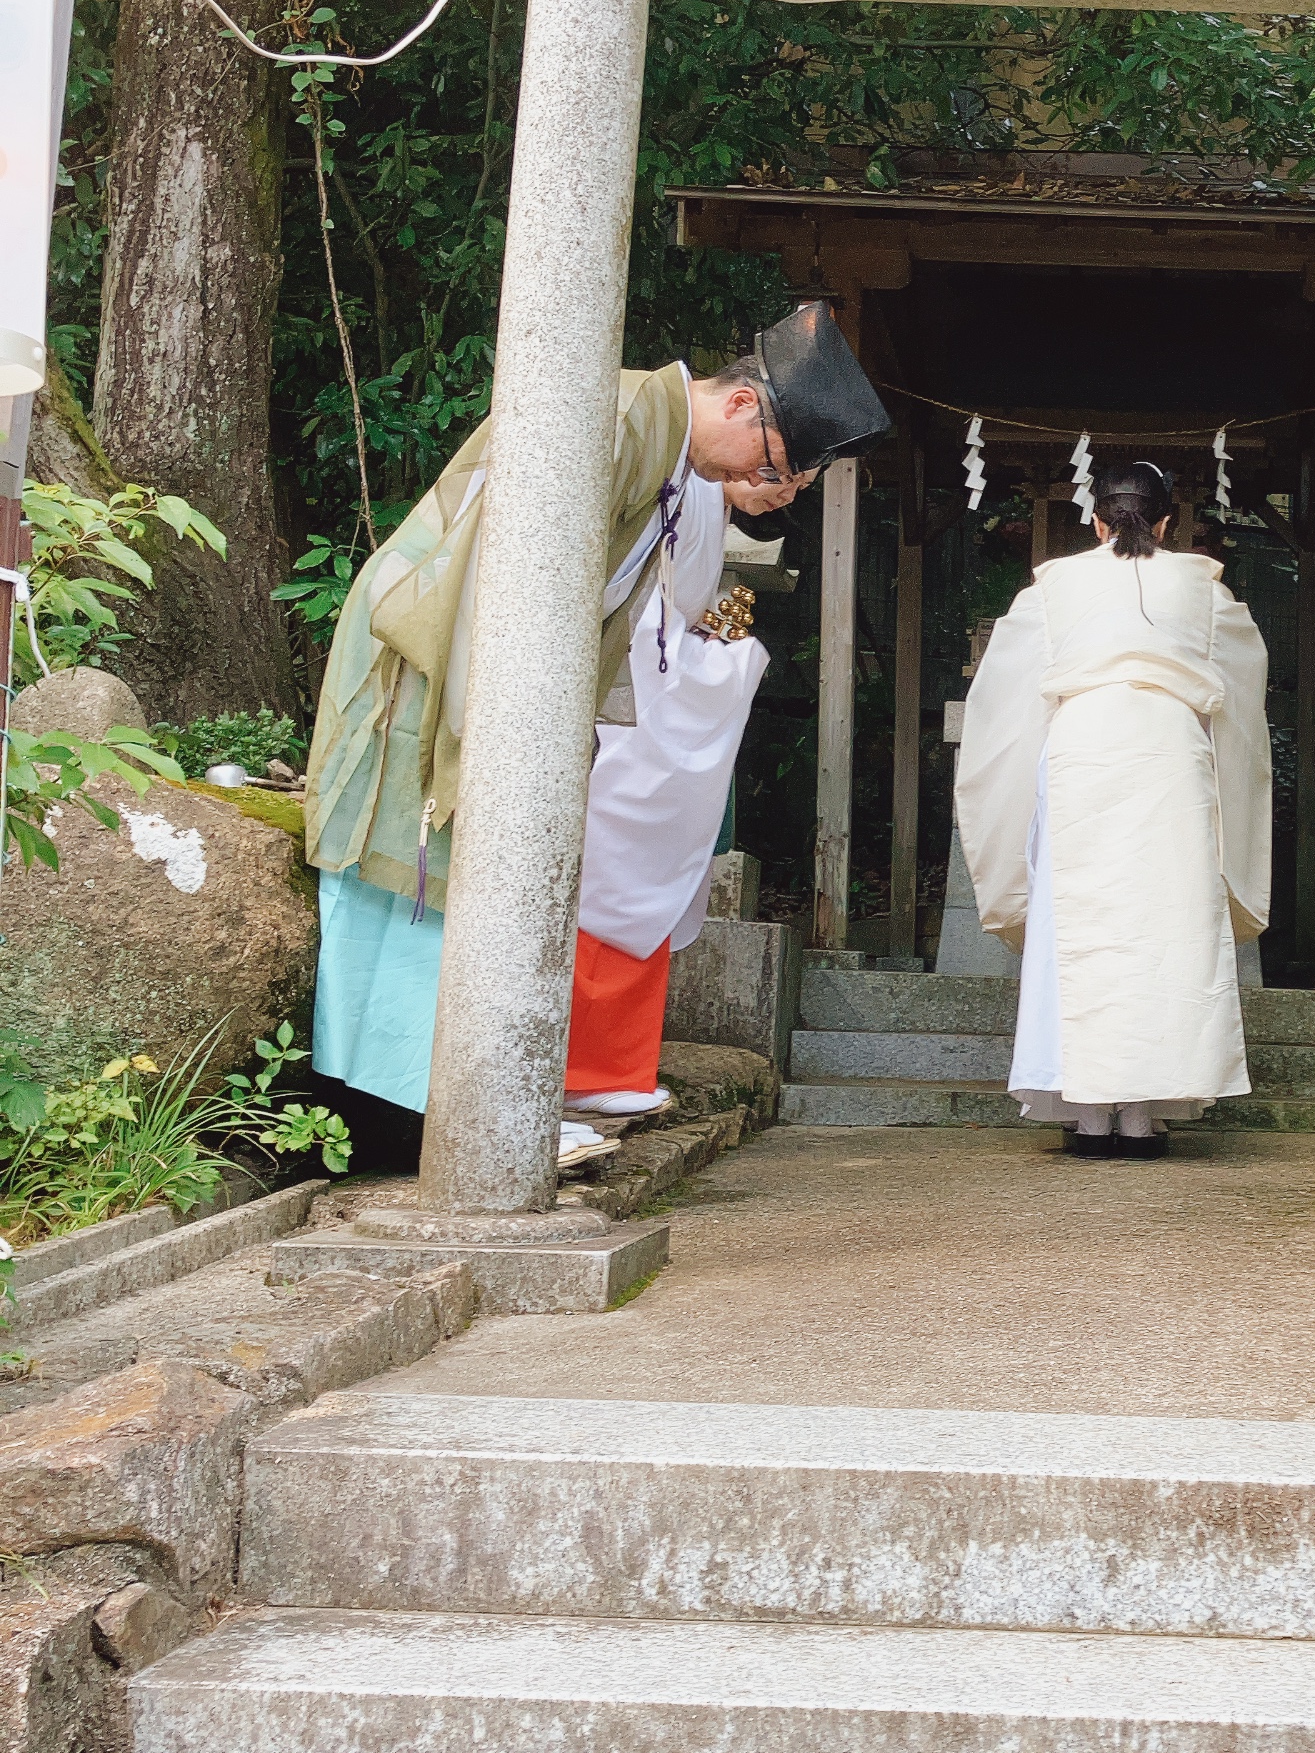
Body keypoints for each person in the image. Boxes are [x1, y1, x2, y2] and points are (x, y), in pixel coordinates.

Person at [305, 299, 889, 1146]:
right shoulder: (611, 415)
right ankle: (434, 1114)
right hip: (439, 645)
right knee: (422, 867)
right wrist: (508, 718)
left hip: (514, 667)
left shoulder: (663, 441)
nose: (760, 483)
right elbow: (507, 569)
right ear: (739, 404)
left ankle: (467, 1108)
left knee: (469, 880)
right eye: (771, 460)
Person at [955, 459, 1270, 1159]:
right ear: (1165, 523)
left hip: (1080, 752)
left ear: (1095, 522)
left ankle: (1089, 1115)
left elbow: (1008, 688)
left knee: (1081, 927)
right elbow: (1242, 681)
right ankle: (1141, 1115)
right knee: (1166, 929)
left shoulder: (1056, 585)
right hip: (1170, 756)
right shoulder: (1201, 586)